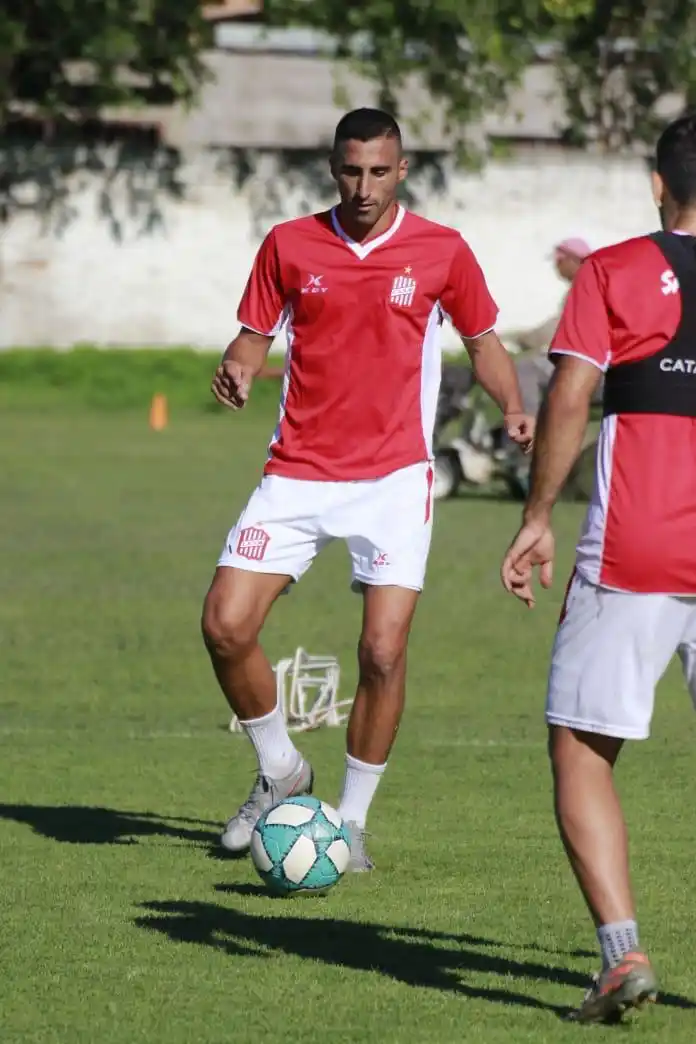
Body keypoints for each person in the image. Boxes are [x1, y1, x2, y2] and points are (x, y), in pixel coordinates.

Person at [202, 107, 534, 871]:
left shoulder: (441, 251)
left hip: (392, 479)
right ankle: (282, 770)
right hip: (296, 472)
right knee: (224, 625)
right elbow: (253, 333)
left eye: (378, 171)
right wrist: (242, 364)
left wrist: (512, 406)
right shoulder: (289, 243)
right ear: (331, 167)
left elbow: (483, 341)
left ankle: (347, 824)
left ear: (403, 169)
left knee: (383, 651)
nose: (363, 186)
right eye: (351, 171)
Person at [500, 112, 696, 1022]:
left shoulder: (613, 270)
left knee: (581, 745)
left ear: (658, 184)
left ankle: (622, 956)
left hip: (638, 546)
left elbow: (570, 393)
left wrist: (538, 516)